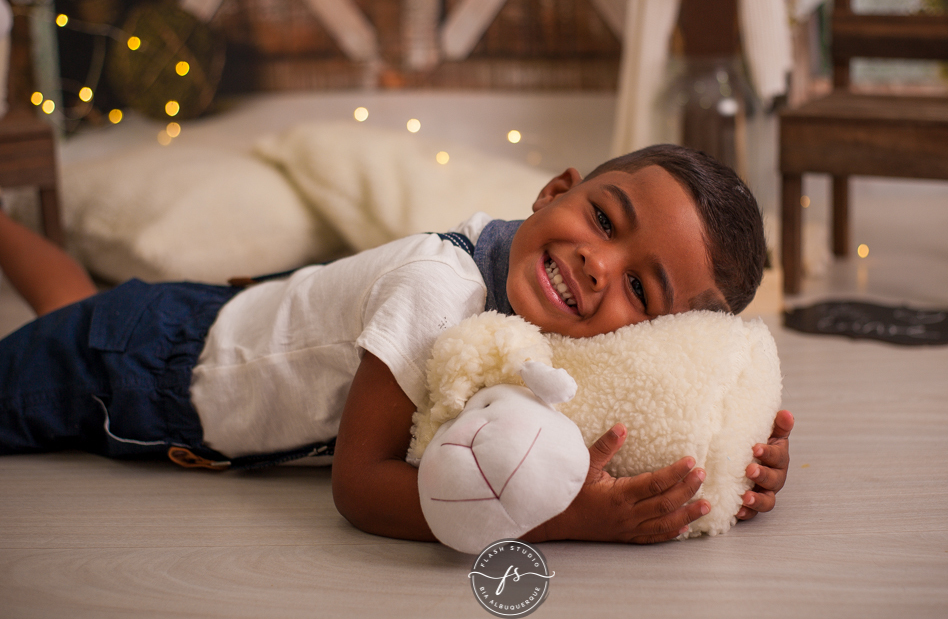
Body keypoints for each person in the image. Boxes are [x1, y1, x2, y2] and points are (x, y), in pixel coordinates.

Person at [0, 144, 793, 545]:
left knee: (72, 303)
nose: (598, 263)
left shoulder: (567, 332)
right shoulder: (438, 290)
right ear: (556, 190)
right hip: (148, 369)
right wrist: (561, 519)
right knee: (44, 358)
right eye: (603, 219)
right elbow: (360, 484)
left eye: (641, 290)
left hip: (226, 317)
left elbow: (644, 415)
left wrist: (738, 458)